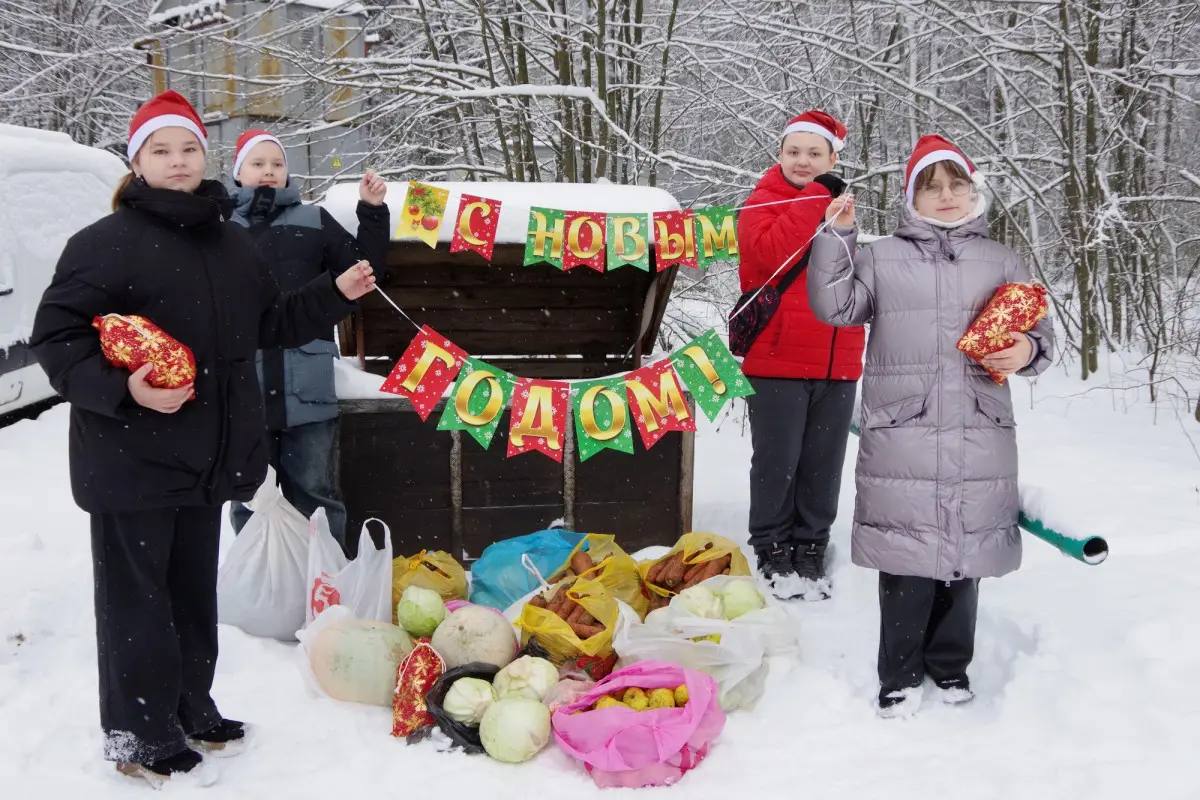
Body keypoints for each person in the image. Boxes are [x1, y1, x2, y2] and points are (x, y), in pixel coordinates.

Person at [29, 90, 376, 785]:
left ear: (205, 155)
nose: (178, 161)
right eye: (162, 150)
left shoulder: (231, 244)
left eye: (188, 148)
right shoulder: (104, 245)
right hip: (130, 452)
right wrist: (127, 389)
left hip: (208, 451)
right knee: (137, 599)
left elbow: (270, 322)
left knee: (191, 590)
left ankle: (192, 707)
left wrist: (337, 290)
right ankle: (138, 733)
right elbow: (56, 337)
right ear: (137, 162)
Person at [808, 134, 1054, 717]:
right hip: (905, 430)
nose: (946, 196)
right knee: (907, 560)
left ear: (974, 190)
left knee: (965, 559)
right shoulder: (880, 256)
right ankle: (897, 674)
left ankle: (950, 667)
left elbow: (1043, 336)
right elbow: (835, 307)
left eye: (956, 185)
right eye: (931, 186)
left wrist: (1025, 348)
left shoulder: (1002, 259)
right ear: (911, 196)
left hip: (977, 427)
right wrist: (837, 236)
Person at [225, 128, 390, 549]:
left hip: (309, 385)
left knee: (316, 494)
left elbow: (364, 271)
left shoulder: (313, 220)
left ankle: (326, 582)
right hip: (243, 389)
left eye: (277, 164)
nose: (268, 171)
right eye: (257, 163)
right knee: (248, 496)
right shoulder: (221, 227)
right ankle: (260, 584)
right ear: (237, 171)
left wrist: (372, 211)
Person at [736, 109, 865, 600]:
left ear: (834, 158)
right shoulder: (761, 202)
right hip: (777, 357)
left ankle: (811, 544)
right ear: (779, 155)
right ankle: (771, 546)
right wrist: (816, 197)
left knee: (822, 462)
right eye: (794, 152)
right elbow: (771, 256)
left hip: (837, 358)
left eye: (815, 154)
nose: (803, 161)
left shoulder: (840, 207)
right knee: (777, 460)